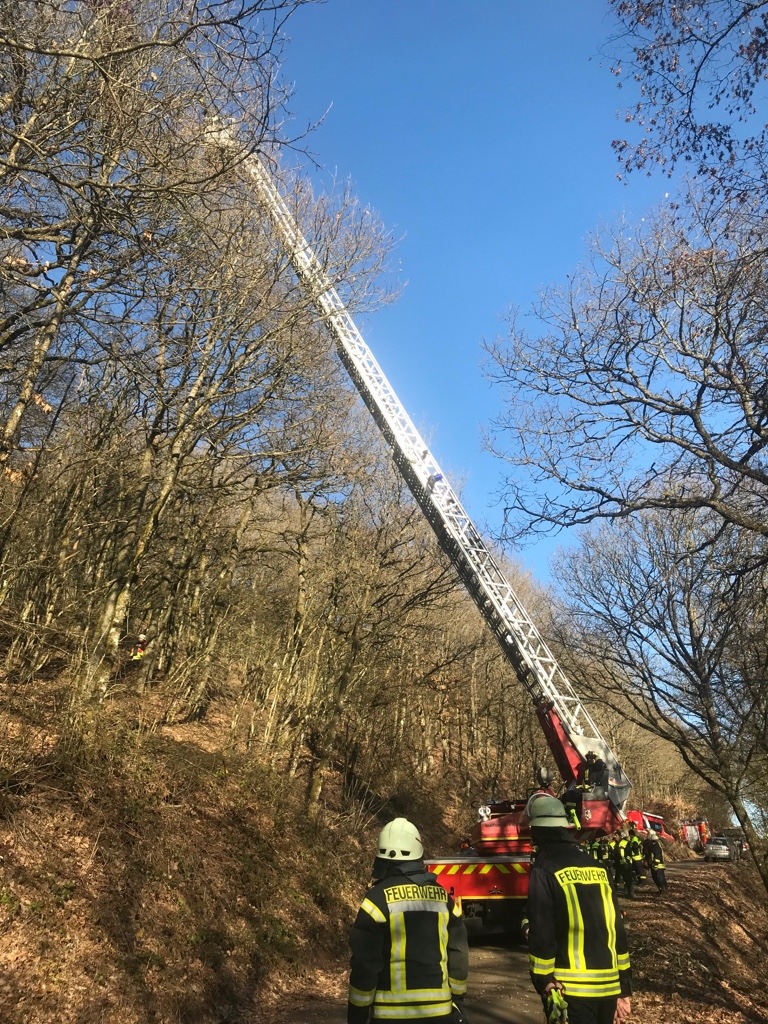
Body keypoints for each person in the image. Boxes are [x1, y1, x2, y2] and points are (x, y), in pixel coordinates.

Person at [347, 817, 469, 1024]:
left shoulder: (376, 900)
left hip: (390, 1017)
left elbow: (364, 964)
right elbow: (458, 952)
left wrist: (357, 1015)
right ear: (418, 853)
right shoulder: (442, 898)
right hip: (440, 1014)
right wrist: (457, 1000)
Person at [525, 795, 632, 1024]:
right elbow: (617, 930)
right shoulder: (598, 868)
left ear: (536, 830)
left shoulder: (543, 869)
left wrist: (542, 980)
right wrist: (624, 989)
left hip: (570, 991)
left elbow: (542, 930)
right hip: (608, 989)